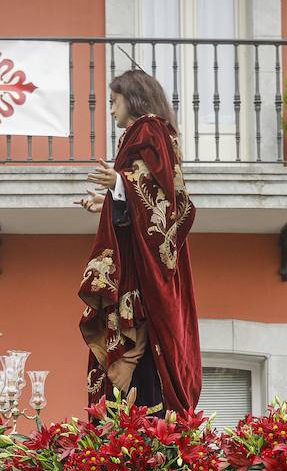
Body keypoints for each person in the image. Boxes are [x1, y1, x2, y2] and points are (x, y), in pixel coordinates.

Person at [77, 68, 201, 413]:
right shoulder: (143, 132)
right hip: (136, 258)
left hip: (142, 270)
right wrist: (110, 200)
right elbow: (143, 200)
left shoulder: (149, 128)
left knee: (141, 369)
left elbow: (167, 197)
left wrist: (119, 183)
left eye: (114, 101)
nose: (111, 109)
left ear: (133, 98)